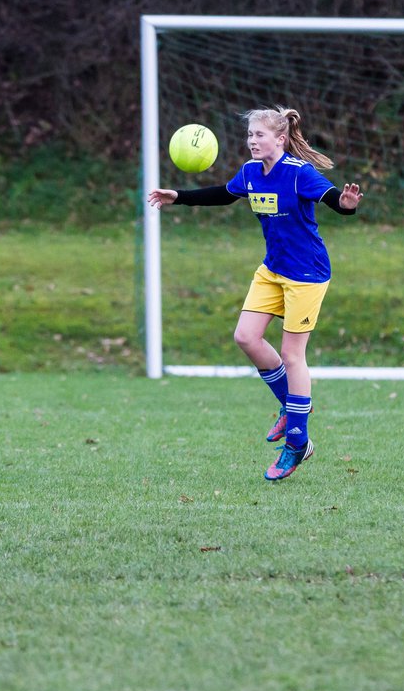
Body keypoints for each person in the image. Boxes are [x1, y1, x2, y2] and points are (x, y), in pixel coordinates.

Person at [148, 107, 362, 481]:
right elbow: (224, 194)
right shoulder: (250, 173)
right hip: (273, 270)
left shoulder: (298, 174)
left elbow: (331, 198)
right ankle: (292, 407)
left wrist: (345, 205)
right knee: (245, 337)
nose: (252, 141)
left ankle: (297, 442)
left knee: (293, 355)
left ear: (280, 139)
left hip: (307, 274)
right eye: (249, 135)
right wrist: (177, 196)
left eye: (259, 135)